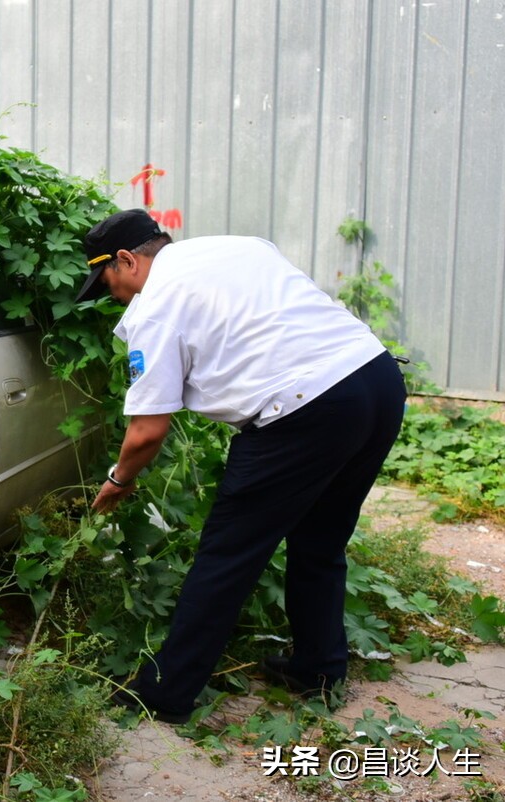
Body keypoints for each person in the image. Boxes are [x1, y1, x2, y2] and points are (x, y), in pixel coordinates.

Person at [73, 209, 407, 724]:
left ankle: (164, 694)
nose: (114, 295)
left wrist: (119, 482)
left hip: (302, 410)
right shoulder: (241, 245)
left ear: (125, 259)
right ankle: (318, 669)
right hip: (376, 379)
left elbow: (147, 431)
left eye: (109, 281)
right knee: (321, 540)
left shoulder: (156, 307)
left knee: (227, 556)